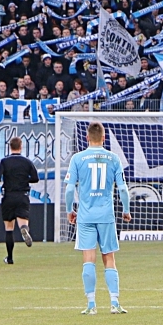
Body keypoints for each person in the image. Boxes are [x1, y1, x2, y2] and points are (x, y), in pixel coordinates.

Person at [65, 122, 132, 315]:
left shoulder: (78, 158)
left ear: (87, 138)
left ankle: (91, 305)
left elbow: (70, 189)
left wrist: (70, 210)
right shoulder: (113, 158)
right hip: (106, 215)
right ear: (104, 138)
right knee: (109, 258)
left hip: (85, 216)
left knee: (88, 259)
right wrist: (126, 210)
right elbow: (123, 188)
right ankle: (114, 303)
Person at [0, 137, 39, 264]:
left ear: (10, 147)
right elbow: (35, 178)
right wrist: (24, 180)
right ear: (21, 146)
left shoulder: (4, 162)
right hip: (22, 195)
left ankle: (10, 258)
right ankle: (24, 229)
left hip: (8, 195)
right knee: (23, 222)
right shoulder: (27, 162)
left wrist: (7, 180)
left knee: (9, 227)